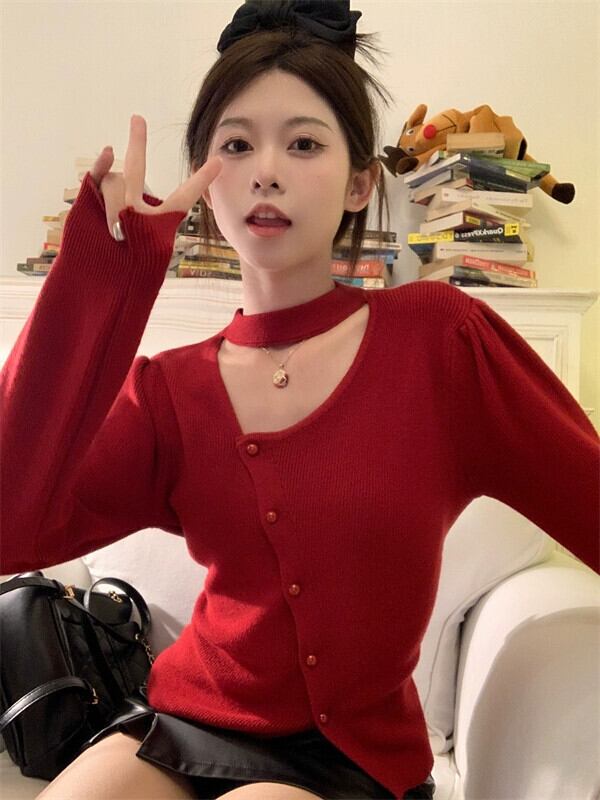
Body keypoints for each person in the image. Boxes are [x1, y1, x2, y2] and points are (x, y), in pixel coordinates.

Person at [1, 1, 598, 799]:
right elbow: (11, 526)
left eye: (304, 143)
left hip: (352, 760)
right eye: (235, 145)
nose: (266, 170)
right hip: (186, 720)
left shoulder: (441, 341)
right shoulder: (171, 389)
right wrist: (99, 279)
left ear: (360, 183)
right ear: (205, 181)